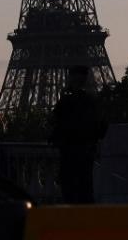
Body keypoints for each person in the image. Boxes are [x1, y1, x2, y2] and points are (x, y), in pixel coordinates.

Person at [49, 65, 107, 204]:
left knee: (72, 185)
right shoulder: (91, 100)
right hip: (83, 148)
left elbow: (56, 121)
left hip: (72, 148)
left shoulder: (68, 100)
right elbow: (101, 124)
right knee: (84, 185)